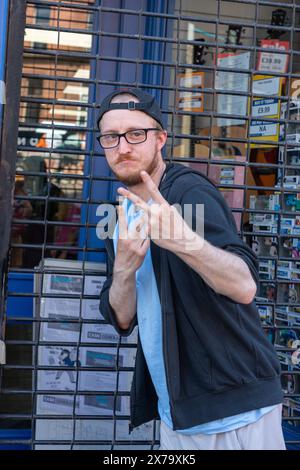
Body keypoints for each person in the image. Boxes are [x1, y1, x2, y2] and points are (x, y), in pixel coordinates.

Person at [98, 88, 285, 450]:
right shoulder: (116, 214)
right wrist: (123, 268)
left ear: (161, 139)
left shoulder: (188, 194)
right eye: (111, 137)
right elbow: (122, 319)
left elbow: (244, 285)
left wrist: (183, 240)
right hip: (178, 412)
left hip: (236, 408)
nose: (123, 147)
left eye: (136, 134)